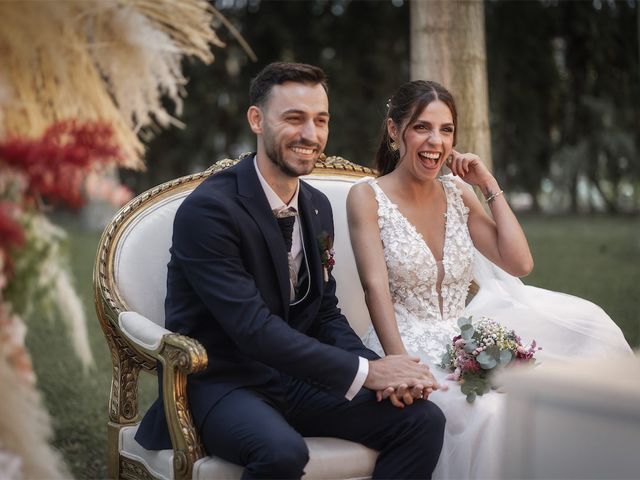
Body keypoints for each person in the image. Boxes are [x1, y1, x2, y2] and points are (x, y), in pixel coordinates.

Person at [135, 63, 446, 479]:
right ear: (257, 120)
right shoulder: (210, 210)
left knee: (422, 421)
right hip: (224, 383)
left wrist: (382, 372)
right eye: (294, 118)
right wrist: (367, 371)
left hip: (297, 380)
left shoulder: (316, 207)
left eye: (321, 120)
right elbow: (253, 329)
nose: (311, 135)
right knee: (281, 452)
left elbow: (323, 312)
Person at [346, 80, 633, 479]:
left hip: (461, 339)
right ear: (395, 130)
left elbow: (519, 263)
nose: (436, 141)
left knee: (560, 370)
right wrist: (401, 365)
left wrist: (488, 184)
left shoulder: (457, 192)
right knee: (490, 414)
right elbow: (374, 287)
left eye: (446, 130)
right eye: (422, 127)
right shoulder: (366, 197)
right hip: (403, 342)